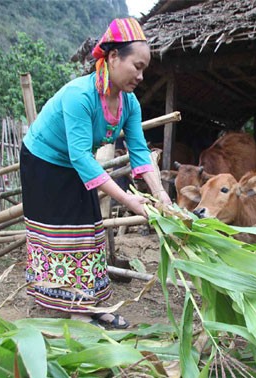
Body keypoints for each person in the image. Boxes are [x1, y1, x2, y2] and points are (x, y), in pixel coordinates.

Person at [20, 18, 171, 329]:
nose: (141, 76)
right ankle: (74, 309)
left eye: (144, 69)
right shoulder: (81, 95)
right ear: (113, 58)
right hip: (43, 162)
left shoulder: (129, 104)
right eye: (137, 66)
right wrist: (131, 202)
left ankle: (85, 305)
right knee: (59, 233)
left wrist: (161, 195)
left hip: (76, 164)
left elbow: (140, 153)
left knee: (90, 230)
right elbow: (80, 156)